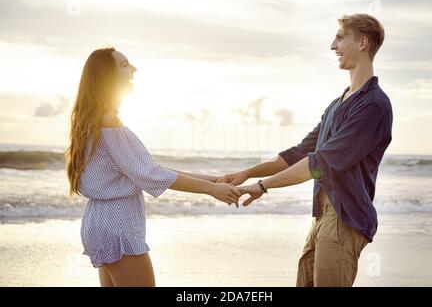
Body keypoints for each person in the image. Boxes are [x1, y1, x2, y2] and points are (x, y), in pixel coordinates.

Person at [223, 14, 393, 287]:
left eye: (340, 37)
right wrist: (247, 173)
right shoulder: (338, 103)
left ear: (363, 42)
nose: (332, 46)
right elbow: (301, 152)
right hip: (322, 218)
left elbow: (322, 162)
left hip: (344, 219)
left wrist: (263, 186)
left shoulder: (373, 105)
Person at [65, 48, 240, 287]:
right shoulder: (109, 122)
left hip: (98, 222)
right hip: (118, 226)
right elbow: (149, 174)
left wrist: (213, 180)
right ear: (108, 75)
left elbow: (146, 168)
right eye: (125, 64)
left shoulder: (92, 121)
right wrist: (210, 190)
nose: (134, 69)